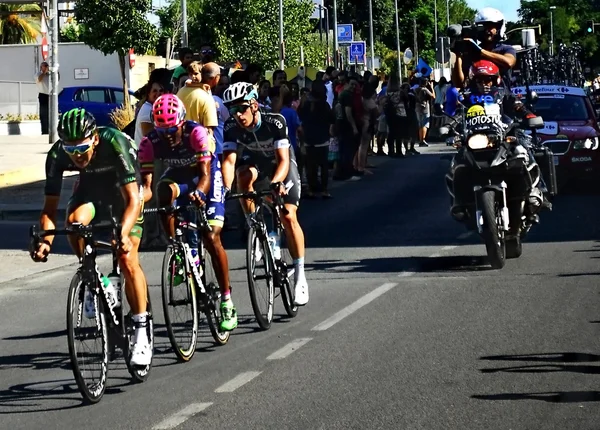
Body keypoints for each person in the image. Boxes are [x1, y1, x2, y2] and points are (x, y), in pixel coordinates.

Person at [30, 108, 151, 366]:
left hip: (125, 191)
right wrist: (46, 241)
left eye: (81, 148)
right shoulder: (57, 155)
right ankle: (93, 275)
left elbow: (132, 199)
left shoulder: (114, 142)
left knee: (128, 258)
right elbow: (50, 208)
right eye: (70, 150)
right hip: (92, 191)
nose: (76, 156)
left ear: (94, 139)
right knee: (74, 224)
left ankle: (141, 331)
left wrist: (124, 233)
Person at [138, 94, 237, 332]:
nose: (168, 136)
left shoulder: (197, 134)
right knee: (164, 191)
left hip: (205, 175)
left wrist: (201, 194)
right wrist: (138, 202)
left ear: (182, 122)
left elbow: (204, 176)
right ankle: (177, 250)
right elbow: (148, 186)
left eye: (172, 130)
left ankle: (227, 301)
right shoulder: (149, 143)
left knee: (211, 236)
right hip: (180, 175)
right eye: (162, 131)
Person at [221, 82, 309, 306]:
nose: (238, 115)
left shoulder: (274, 121)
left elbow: (283, 160)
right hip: (256, 163)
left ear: (254, 105)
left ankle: (300, 275)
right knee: (243, 176)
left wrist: (277, 182)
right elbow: (230, 160)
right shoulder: (231, 125)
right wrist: (224, 188)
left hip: (280, 166)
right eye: (232, 110)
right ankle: (256, 227)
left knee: (288, 216)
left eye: (241, 108)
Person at [448, 60, 548, 221]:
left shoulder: (503, 94)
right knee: (457, 160)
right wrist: (447, 126)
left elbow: (517, 106)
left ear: (495, 80)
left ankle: (536, 191)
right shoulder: (465, 97)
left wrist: (528, 115)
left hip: (503, 134)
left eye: (488, 79)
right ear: (474, 81)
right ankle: (458, 202)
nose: (484, 83)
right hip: (476, 138)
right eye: (480, 80)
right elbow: (458, 114)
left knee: (525, 150)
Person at [451, 8, 517, 89]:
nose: (486, 31)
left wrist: (480, 51)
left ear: (498, 28)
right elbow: (459, 83)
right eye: (483, 27)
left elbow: (509, 62)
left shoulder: (506, 49)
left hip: (502, 98)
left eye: (490, 27)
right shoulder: (472, 51)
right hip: (475, 99)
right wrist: (459, 55)